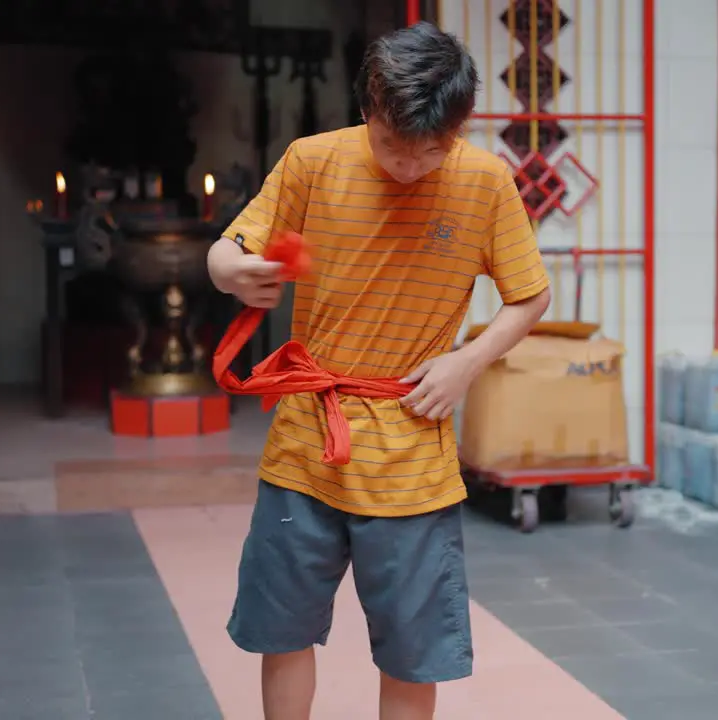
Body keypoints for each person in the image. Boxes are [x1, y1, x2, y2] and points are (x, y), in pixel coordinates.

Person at [206, 21, 551, 720]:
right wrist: (234, 273)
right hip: (308, 443)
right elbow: (228, 247)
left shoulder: (484, 183)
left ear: (460, 127)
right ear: (369, 107)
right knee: (283, 630)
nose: (411, 166)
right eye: (396, 145)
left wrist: (468, 361)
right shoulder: (313, 162)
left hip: (411, 449)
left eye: (434, 150)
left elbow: (530, 295)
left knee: (411, 647)